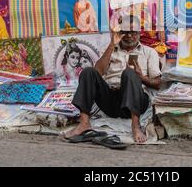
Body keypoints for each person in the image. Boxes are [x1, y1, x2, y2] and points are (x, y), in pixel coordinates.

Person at [64, 15, 161, 143]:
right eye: (125, 32)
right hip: (110, 101)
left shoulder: (149, 52)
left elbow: (158, 83)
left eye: (133, 32)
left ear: (139, 32)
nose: (129, 36)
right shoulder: (110, 49)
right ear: (119, 32)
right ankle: (84, 123)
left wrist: (142, 77)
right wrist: (112, 45)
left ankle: (136, 125)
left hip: (136, 102)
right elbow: (97, 72)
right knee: (88, 72)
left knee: (129, 73)